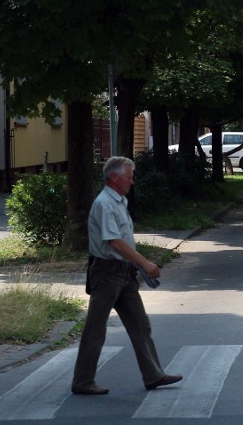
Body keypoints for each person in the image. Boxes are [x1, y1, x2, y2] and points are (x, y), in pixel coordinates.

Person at [71, 156, 182, 395]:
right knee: (96, 328)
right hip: (107, 272)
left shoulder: (119, 200)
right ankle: (82, 381)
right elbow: (114, 241)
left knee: (140, 325)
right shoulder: (104, 203)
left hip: (124, 273)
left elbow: (122, 241)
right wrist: (144, 261)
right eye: (129, 176)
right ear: (114, 177)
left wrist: (136, 265)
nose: (132, 181)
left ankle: (153, 375)